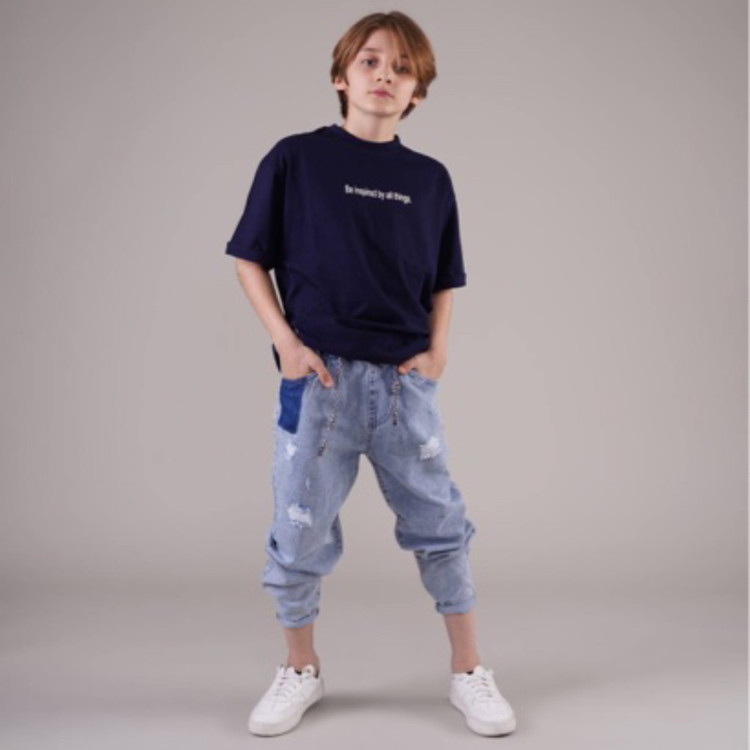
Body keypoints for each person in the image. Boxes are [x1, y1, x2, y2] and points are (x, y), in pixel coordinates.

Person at [225, 10, 517, 739]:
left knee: (440, 526)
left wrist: (438, 352)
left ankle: (468, 671)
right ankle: (300, 668)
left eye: (402, 68)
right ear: (340, 75)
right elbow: (248, 257)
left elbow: (444, 278)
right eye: (371, 61)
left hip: (402, 390)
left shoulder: (430, 179)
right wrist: (286, 344)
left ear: (418, 91)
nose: (385, 75)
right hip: (317, 385)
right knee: (297, 532)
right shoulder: (295, 160)